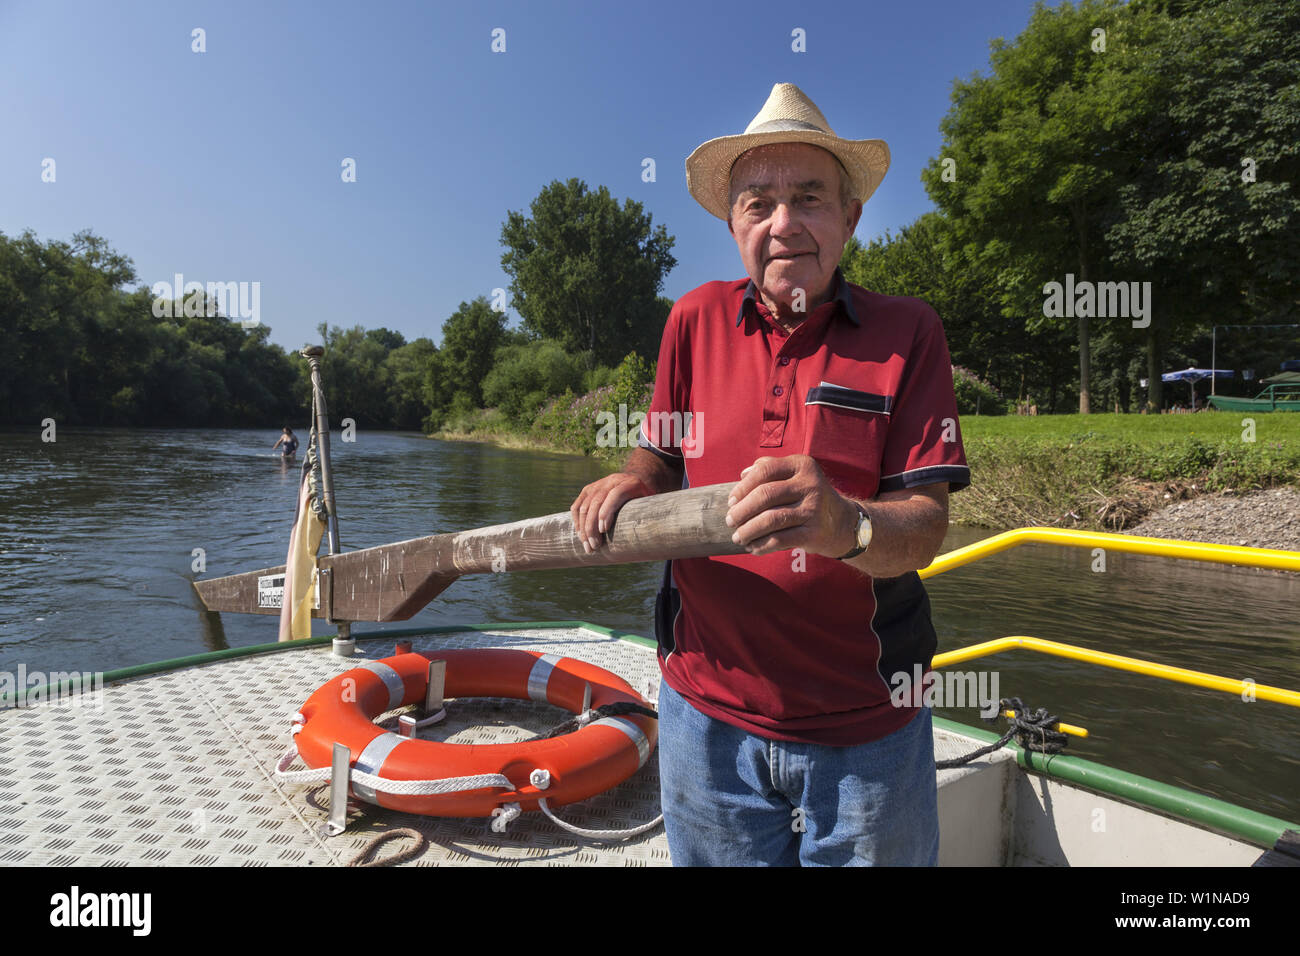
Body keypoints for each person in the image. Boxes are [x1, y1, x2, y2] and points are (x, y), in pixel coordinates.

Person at [570, 83, 970, 866]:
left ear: (850, 218)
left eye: (809, 197)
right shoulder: (692, 318)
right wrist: (632, 478)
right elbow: (661, 451)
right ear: (734, 226)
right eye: (758, 203)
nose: (783, 222)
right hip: (702, 711)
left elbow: (924, 524)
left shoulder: (908, 331)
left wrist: (843, 524)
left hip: (869, 725)